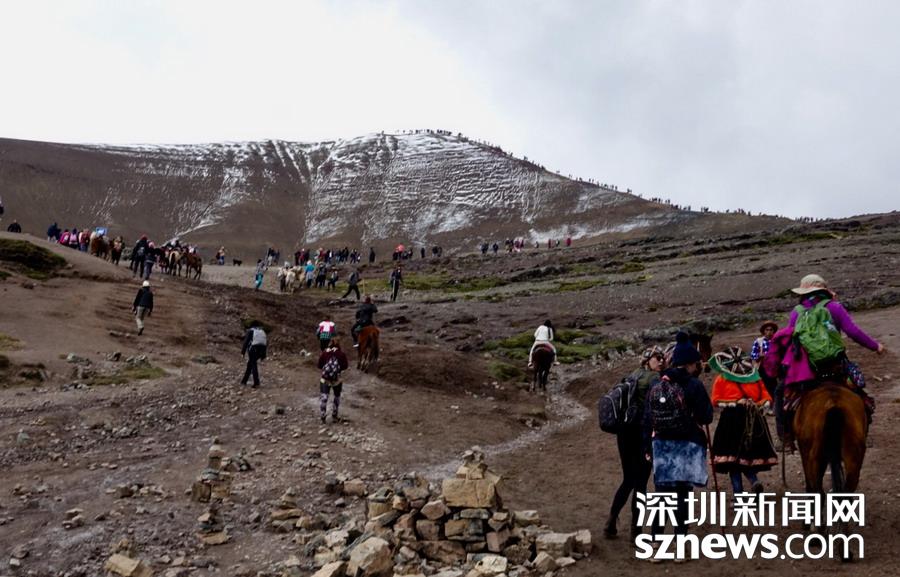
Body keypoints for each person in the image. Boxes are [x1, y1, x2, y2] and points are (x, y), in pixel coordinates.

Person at [766, 274, 885, 447]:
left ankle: (786, 437)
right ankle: (864, 433)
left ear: (803, 292)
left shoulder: (797, 312)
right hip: (835, 366)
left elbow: (791, 339)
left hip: (807, 370)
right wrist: (876, 346)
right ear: (824, 290)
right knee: (860, 393)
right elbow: (853, 331)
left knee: (779, 393)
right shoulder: (834, 307)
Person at [641, 331, 713, 553]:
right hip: (687, 446)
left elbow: (647, 419)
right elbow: (706, 417)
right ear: (690, 363)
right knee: (683, 496)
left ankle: (655, 542)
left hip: (661, 446)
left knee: (662, 496)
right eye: (695, 363)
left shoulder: (658, 383)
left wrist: (648, 447)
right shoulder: (694, 385)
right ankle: (680, 545)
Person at [604, 346, 665, 540]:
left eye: (662, 358)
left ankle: (611, 521)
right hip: (642, 434)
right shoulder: (654, 379)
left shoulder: (632, 375)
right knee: (641, 483)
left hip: (624, 432)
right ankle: (635, 531)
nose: (661, 361)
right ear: (647, 360)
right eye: (657, 358)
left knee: (628, 479)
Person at [709, 346, 777, 496]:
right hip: (755, 420)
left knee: (732, 460)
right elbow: (767, 397)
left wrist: (734, 402)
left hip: (730, 421)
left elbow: (715, 400)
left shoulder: (722, 378)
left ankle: (738, 494)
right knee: (748, 456)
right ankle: (753, 480)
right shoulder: (755, 377)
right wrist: (757, 404)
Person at [318, 338, 349, 423]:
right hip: (337, 379)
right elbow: (345, 366)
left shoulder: (325, 352)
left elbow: (319, 365)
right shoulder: (341, 354)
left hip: (325, 379)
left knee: (324, 397)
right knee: (336, 396)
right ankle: (334, 415)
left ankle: (322, 416)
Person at [751, 321, 778, 411]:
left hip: (774, 368)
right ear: (763, 331)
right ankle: (765, 405)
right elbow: (753, 355)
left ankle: (773, 406)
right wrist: (760, 355)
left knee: (774, 386)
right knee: (763, 386)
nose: (769, 332)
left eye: (771, 330)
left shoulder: (776, 341)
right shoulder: (759, 341)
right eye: (767, 330)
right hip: (763, 368)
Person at [240, 321, 267, 388]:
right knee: (250, 364)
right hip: (261, 350)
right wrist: (264, 355)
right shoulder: (262, 331)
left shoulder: (251, 331)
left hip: (253, 349)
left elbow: (246, 342)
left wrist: (243, 352)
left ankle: (256, 382)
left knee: (253, 364)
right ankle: (244, 381)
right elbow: (265, 343)